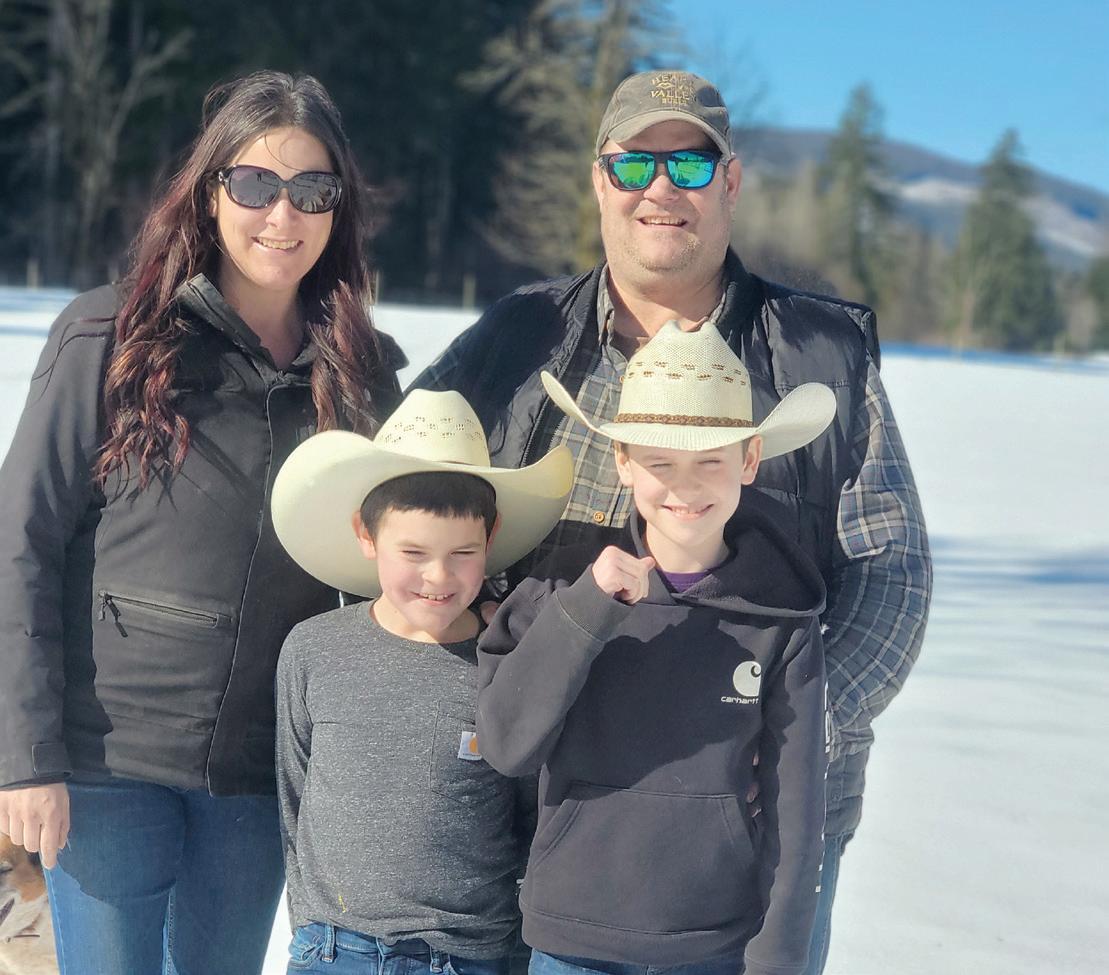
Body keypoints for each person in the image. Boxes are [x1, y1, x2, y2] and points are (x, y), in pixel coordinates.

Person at [413, 69, 932, 973]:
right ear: (598, 180)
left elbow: (890, 575)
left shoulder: (820, 356)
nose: (660, 187)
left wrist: (783, 732)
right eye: (633, 164)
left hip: (746, 832)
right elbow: (406, 512)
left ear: (729, 183)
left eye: (688, 165)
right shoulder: (515, 341)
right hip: (544, 811)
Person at [0, 70, 402, 974]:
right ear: (210, 190)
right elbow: (19, 541)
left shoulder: (359, 374)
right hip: (107, 762)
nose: (282, 214)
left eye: (312, 190)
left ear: (338, 208)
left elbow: (393, 566)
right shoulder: (111, 336)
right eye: (255, 183)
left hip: (256, 777)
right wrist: (23, 757)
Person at [476, 322, 836, 975]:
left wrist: (777, 958)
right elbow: (506, 746)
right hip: (572, 941)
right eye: (659, 463)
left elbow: (796, 806)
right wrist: (589, 608)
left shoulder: (781, 618)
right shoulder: (560, 593)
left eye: (710, 461)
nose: (684, 488)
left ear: (749, 459)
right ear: (622, 461)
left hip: (712, 945)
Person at [268, 388, 573, 975]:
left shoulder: (507, 662)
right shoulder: (313, 649)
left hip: (467, 957)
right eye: (413, 551)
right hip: (332, 950)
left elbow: (530, 814)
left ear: (491, 537)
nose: (438, 576)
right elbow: (294, 794)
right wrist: (308, 926)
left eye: (462, 553)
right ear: (366, 534)